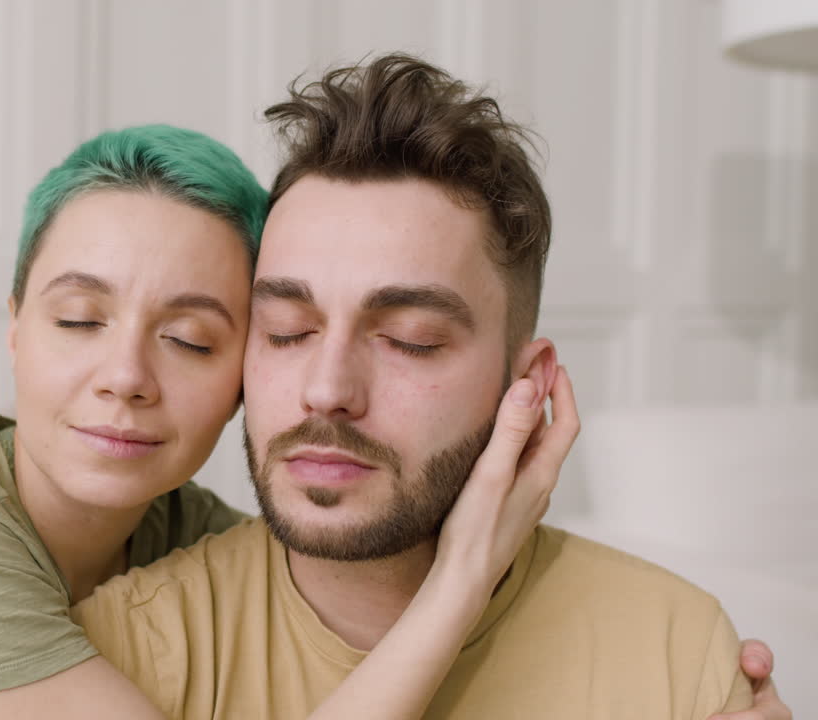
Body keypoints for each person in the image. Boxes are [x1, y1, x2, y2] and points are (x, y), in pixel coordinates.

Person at [0, 124, 574, 720]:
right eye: (78, 321)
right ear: (14, 329)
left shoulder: (200, 549)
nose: (127, 379)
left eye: (189, 339)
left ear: (251, 371)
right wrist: (460, 578)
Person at [69, 53, 793, 720]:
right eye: (287, 329)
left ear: (527, 386)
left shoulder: (672, 649)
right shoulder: (126, 652)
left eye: (411, 339)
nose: (326, 390)